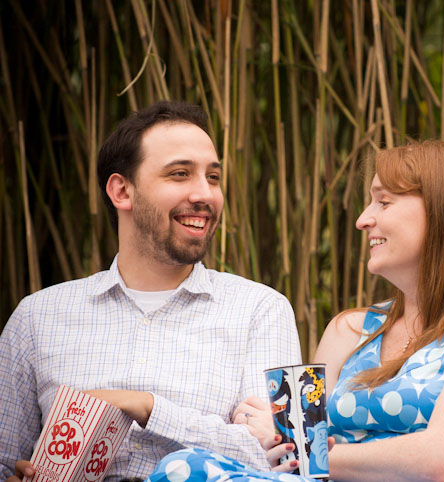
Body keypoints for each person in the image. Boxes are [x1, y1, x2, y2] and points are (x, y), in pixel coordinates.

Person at [146, 140, 444, 482]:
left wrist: (306, 450)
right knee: (184, 468)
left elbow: (440, 459)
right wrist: (276, 440)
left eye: (384, 202)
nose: (363, 220)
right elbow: (296, 462)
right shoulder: (351, 330)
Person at [0, 101, 302, 482]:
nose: (205, 194)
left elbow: (283, 462)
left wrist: (147, 408)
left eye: (213, 177)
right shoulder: (37, 317)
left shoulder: (260, 310)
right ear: (122, 191)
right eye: (180, 174)